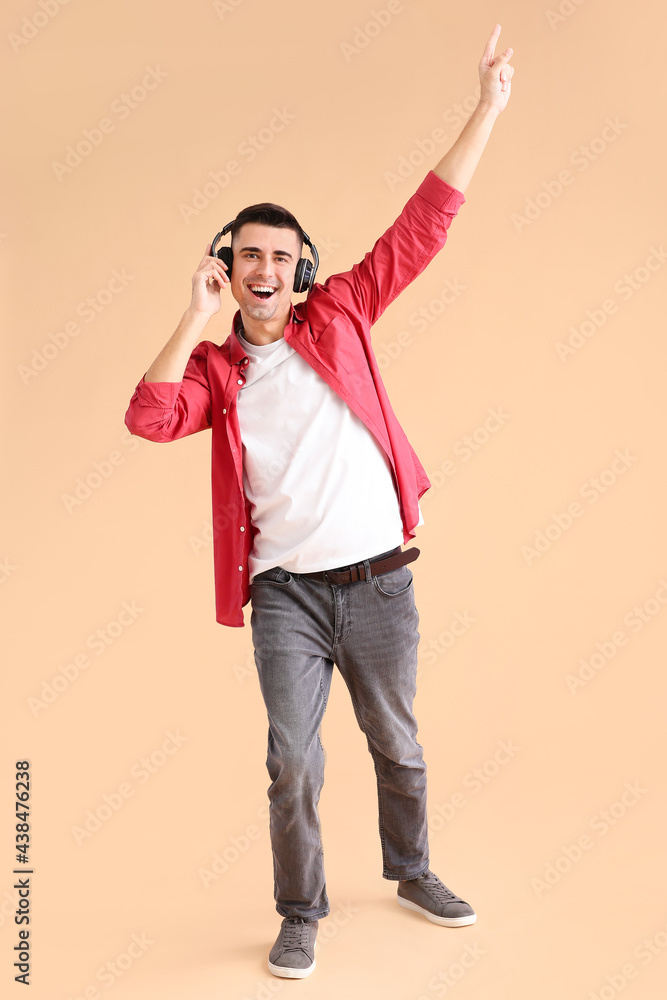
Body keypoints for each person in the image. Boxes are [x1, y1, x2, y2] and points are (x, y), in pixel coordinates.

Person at [124, 24, 514, 980]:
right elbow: (146, 416)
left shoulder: (338, 312)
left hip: (378, 582)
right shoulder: (217, 371)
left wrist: (486, 108)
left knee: (398, 744)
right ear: (230, 265)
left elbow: (422, 225)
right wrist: (193, 313)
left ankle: (413, 870)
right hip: (288, 597)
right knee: (291, 763)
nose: (265, 270)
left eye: (280, 257)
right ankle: (300, 912)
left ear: (301, 269)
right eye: (246, 256)